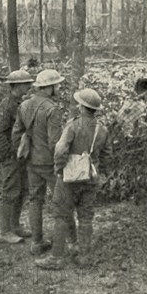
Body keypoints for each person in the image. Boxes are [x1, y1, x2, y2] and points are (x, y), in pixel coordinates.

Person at [36, 89, 112, 270]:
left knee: (61, 216)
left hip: (69, 179)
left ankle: (56, 258)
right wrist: (100, 172)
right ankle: (84, 256)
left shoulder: (72, 125)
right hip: (91, 178)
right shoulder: (102, 129)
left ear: (81, 106)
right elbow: (108, 155)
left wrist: (59, 170)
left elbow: (60, 150)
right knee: (86, 218)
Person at [12, 69, 65, 255]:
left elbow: (16, 134)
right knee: (61, 201)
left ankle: (36, 243)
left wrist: (25, 153)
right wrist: (62, 164)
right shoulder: (52, 109)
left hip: (31, 162)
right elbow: (55, 143)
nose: (59, 87)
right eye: (56, 85)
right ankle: (63, 243)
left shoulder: (24, 105)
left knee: (35, 200)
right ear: (49, 88)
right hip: (50, 164)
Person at [0, 70, 35, 244]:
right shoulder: (8, 104)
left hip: (20, 155)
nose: (28, 86)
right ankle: (4, 231)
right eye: (25, 84)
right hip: (10, 156)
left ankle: (15, 226)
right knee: (9, 191)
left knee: (22, 189)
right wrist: (8, 152)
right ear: (15, 86)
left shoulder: (18, 103)